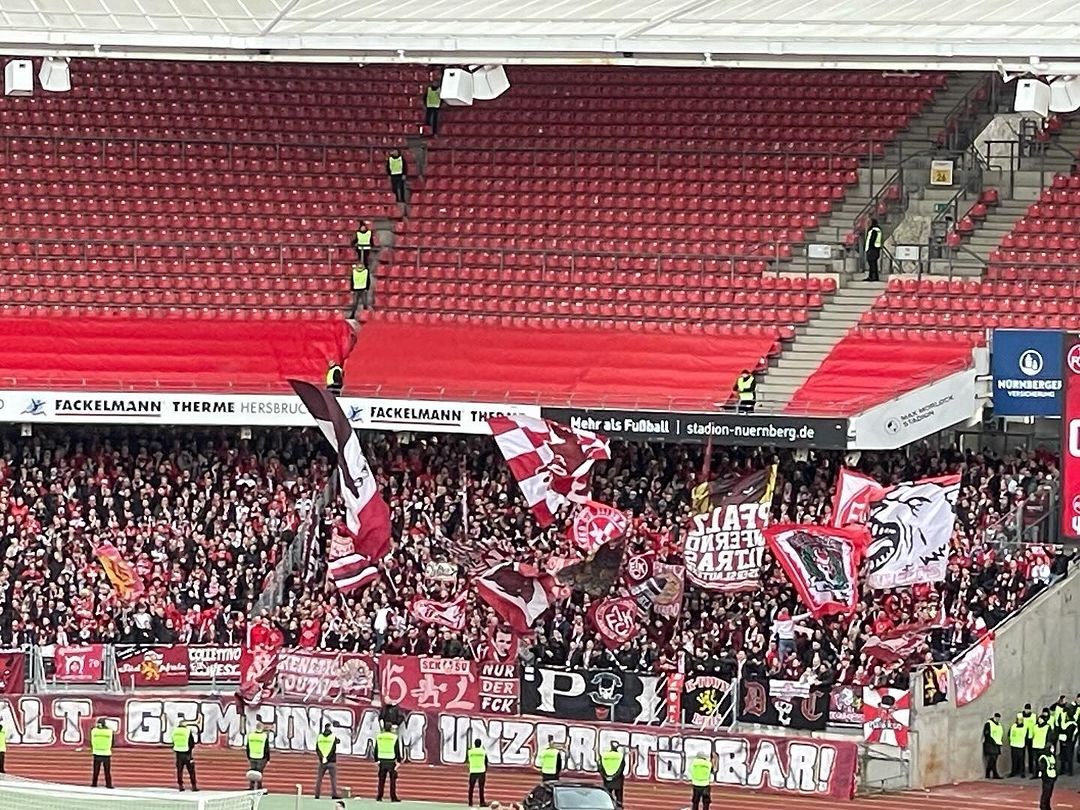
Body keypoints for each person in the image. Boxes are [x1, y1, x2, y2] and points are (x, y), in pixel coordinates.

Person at [374, 721, 402, 802]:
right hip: (391, 760)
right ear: (391, 729)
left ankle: (379, 796)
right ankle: (393, 797)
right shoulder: (394, 737)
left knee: (381, 780)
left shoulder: (379, 737)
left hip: (382, 760)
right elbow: (397, 749)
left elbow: (376, 748)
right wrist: (398, 760)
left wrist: (376, 760)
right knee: (392, 781)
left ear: (384, 728)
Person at [315, 723, 340, 799]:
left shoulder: (319, 737)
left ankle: (317, 794)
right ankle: (334, 794)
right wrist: (327, 758)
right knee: (333, 779)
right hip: (331, 761)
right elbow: (333, 749)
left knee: (319, 778)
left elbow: (317, 749)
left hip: (322, 761)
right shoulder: (332, 737)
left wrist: (322, 757)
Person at [173, 722, 199, 791]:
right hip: (187, 753)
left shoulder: (175, 731)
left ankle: (180, 786)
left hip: (178, 754)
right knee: (191, 771)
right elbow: (191, 742)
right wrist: (190, 749)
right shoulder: (187, 731)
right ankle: (194, 786)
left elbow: (173, 741)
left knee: (179, 771)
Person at [90, 718, 114, 789]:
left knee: (96, 771)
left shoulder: (94, 731)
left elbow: (91, 739)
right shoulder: (109, 731)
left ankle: (94, 784)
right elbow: (113, 741)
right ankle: (109, 784)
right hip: (106, 753)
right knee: (107, 771)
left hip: (97, 752)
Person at [599, 742, 625, 806]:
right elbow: (621, 768)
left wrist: (605, 776)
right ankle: (619, 807)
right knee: (618, 797)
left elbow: (600, 767)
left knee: (607, 796)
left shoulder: (605, 756)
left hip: (607, 780)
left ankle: (606, 806)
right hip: (617, 780)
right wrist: (614, 777)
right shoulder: (620, 756)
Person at [245, 722, 270, 790]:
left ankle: (251, 786)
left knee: (252, 772)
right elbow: (266, 748)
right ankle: (259, 787)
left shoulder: (251, 735)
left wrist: (248, 756)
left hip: (252, 756)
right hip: (261, 757)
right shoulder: (264, 736)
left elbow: (248, 747)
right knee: (259, 773)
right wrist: (268, 759)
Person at [467, 738, 487, 806]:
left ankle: (470, 802)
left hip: (473, 770)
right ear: (480, 744)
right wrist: (485, 769)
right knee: (481, 788)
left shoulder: (470, 751)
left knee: (471, 787)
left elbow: (468, 760)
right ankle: (482, 802)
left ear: (474, 744)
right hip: (481, 770)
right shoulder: (483, 751)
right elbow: (486, 761)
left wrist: (470, 767)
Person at [983, 712, 1003, 779]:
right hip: (991, 744)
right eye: (996, 718)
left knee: (994, 760)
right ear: (994, 717)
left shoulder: (999, 725)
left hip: (997, 744)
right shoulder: (989, 723)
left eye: (998, 718)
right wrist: (992, 741)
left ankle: (989, 773)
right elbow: (987, 734)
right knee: (992, 760)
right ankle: (994, 774)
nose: (997, 719)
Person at [1031, 714, 1051, 779]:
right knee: (1035, 761)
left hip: (1042, 746)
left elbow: (1049, 737)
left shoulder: (1047, 727)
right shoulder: (1035, 727)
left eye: (1041, 719)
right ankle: (1035, 774)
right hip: (1035, 746)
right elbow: (1032, 735)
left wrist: (1047, 745)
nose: (1039, 720)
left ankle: (1043, 773)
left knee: (1043, 762)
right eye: (1039, 719)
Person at [1057, 708, 1076, 776]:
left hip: (1068, 740)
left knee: (1069, 755)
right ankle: (1063, 769)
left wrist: (1066, 740)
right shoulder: (1066, 720)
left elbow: (1069, 732)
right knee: (1063, 755)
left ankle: (1070, 771)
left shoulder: (1072, 722)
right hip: (1063, 739)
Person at [1037, 745, 1057, 810]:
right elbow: (1042, 768)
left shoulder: (1052, 756)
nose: (1053, 750)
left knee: (1049, 794)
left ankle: (1048, 806)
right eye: (1051, 748)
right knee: (1046, 793)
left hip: (1052, 777)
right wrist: (1044, 776)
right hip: (1047, 777)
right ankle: (1043, 806)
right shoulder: (1043, 757)